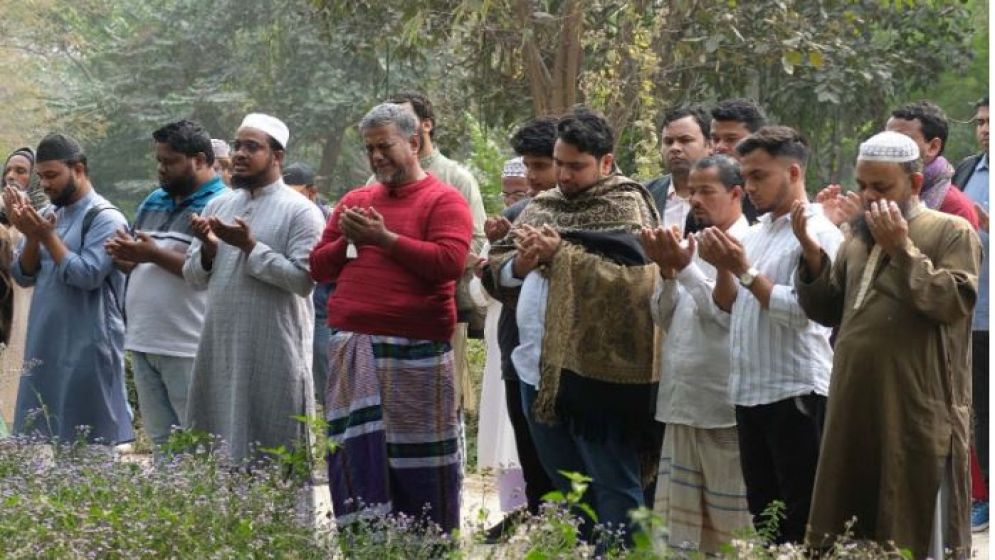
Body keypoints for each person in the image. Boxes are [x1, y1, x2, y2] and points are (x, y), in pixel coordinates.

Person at [795, 131, 980, 558]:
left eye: (882, 187)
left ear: (914, 184)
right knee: (848, 519)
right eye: (862, 185)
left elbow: (953, 301)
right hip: (853, 404)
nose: (868, 196)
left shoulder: (950, 231)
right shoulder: (857, 239)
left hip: (913, 406)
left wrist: (903, 249)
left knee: (912, 524)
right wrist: (811, 256)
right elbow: (828, 310)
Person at [483, 107, 660, 545]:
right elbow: (498, 266)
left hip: (600, 376)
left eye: (575, 166)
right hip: (536, 370)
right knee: (567, 485)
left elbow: (635, 283)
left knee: (614, 482)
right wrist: (522, 263)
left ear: (605, 162)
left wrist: (561, 257)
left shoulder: (626, 204)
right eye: (559, 163)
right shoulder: (542, 206)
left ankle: (624, 554)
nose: (563, 175)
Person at [311, 103, 472, 533]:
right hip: (354, 348)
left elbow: (449, 263)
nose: (377, 156)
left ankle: (425, 543)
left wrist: (384, 239)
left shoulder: (445, 199)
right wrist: (347, 236)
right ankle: (364, 543)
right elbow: (320, 268)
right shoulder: (356, 201)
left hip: (415, 354)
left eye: (385, 146)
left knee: (416, 459)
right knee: (354, 454)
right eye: (369, 149)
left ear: (414, 143)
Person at [696, 126, 843, 544]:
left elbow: (804, 314)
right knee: (765, 515)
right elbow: (727, 307)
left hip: (795, 391)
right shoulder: (756, 233)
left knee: (801, 516)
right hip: (749, 392)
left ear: (794, 173)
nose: (750, 186)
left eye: (760, 176)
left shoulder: (820, 233)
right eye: (746, 176)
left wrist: (742, 269)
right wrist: (724, 265)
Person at [182, 113, 324, 464]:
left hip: (274, 354)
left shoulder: (301, 212)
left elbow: (303, 281)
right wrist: (210, 249)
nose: (240, 154)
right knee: (216, 455)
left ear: (277, 157)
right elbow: (193, 276)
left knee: (273, 458)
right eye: (237, 145)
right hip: (221, 351)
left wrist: (250, 246)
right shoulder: (217, 205)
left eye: (252, 147)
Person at [641, 155, 752, 553]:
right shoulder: (691, 242)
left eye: (707, 191)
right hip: (681, 402)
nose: (696, 201)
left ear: (736, 193)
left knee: (732, 528)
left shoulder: (748, 244)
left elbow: (726, 317)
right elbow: (664, 317)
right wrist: (669, 273)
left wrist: (685, 271)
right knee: (680, 531)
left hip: (722, 406)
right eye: (692, 192)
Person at [104, 120, 226, 455]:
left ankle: (205, 506)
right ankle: (169, 507)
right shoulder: (153, 201)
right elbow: (138, 260)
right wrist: (123, 255)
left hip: (188, 344)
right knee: (163, 443)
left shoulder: (220, 204)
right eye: (159, 160)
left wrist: (151, 254)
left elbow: (209, 271)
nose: (161, 169)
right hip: (144, 339)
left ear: (200, 160)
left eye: (170, 162)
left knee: (199, 442)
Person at [5, 134, 133, 445]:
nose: (45, 185)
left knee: (89, 451)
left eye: (52, 176)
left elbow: (87, 275)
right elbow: (22, 274)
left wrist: (47, 237)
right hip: (46, 346)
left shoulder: (106, 218)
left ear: (78, 169)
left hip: (87, 350)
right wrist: (31, 236)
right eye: (42, 177)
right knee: (41, 444)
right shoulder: (51, 214)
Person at [381, 91, 487, 425]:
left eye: (404, 119)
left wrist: (419, 254)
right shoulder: (377, 179)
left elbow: (476, 242)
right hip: (387, 311)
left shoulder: (456, 179)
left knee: (440, 408)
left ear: (426, 125)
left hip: (442, 309)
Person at [479, 117, 559, 543]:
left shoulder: (593, 213)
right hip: (517, 352)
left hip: (567, 362)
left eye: (540, 166)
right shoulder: (513, 215)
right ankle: (541, 535)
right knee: (531, 455)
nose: (532, 177)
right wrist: (506, 261)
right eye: (527, 166)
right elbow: (492, 278)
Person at [472, 158, 530, 523]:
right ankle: (512, 510)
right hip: (501, 337)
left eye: (519, 193)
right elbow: (478, 295)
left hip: (533, 339)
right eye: (507, 193)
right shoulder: (498, 230)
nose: (511, 201)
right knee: (505, 424)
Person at [952, 96, 990, 531]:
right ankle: (984, 495)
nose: (983, 130)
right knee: (979, 408)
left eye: (990, 123)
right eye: (980, 122)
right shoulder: (966, 171)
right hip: (975, 315)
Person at [0, 148, 47, 430]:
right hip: (5, 304)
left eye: (21, 171)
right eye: (8, 170)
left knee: (24, 368)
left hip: (29, 301)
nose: (12, 176)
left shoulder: (44, 214)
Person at [284, 161, 334, 406]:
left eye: (296, 193)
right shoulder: (285, 217)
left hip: (322, 311)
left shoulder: (330, 220)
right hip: (290, 309)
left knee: (325, 370)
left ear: (312, 191)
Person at [886, 101, 979, 229]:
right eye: (886, 139)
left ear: (933, 147)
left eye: (902, 140)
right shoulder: (877, 192)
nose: (889, 147)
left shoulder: (957, 209)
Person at [643, 106, 713, 232]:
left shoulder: (728, 193)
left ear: (709, 145)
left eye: (685, 140)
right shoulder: (644, 195)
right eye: (668, 142)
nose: (675, 148)